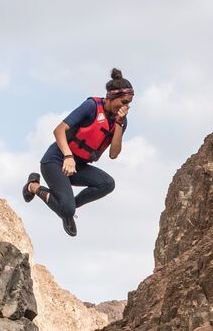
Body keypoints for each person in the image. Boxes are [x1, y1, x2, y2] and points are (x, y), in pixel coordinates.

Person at [22, 71, 133, 236]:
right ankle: (33, 186)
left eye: (129, 103)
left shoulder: (121, 121)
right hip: (56, 160)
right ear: (110, 97)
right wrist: (68, 156)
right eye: (123, 102)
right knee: (66, 209)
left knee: (108, 183)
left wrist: (119, 124)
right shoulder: (92, 107)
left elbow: (114, 154)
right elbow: (59, 130)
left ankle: (66, 209)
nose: (126, 107)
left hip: (78, 166)